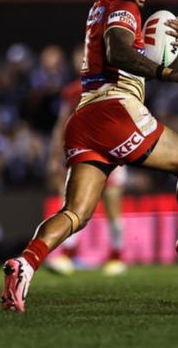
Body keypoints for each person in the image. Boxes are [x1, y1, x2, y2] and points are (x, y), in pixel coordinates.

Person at [1, 0, 178, 313]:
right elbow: (118, 52)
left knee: (76, 214)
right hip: (115, 110)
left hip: (84, 118)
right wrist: (167, 73)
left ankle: (25, 264)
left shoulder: (102, 7)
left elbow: (133, 50)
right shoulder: (123, 9)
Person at [46, 65, 128, 276]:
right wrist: (55, 157)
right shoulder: (73, 92)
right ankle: (67, 254)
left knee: (112, 207)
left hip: (111, 154)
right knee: (74, 205)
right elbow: (61, 124)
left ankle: (117, 257)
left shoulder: (115, 88)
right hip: (83, 155)